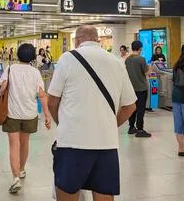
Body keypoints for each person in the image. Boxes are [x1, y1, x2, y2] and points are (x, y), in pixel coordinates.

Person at [48, 25, 137, 200]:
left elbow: (52, 101)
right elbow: (130, 106)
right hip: (106, 144)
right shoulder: (116, 62)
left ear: (77, 40)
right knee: (104, 194)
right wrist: (111, 125)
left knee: (67, 193)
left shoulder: (67, 58)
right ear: (97, 40)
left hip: (73, 143)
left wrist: (63, 123)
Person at [0, 43, 51, 194]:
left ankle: (15, 178)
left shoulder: (10, 69)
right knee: (25, 143)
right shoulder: (35, 72)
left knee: (14, 145)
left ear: (17, 55)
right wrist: (47, 115)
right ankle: (21, 170)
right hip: (30, 114)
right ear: (33, 57)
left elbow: (2, 88)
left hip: (12, 113)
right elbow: (42, 95)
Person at [125, 41, 151, 138]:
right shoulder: (141, 59)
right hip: (141, 88)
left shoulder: (128, 59)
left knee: (133, 108)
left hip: (131, 88)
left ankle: (131, 127)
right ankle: (140, 129)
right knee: (141, 109)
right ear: (140, 48)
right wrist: (150, 68)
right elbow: (147, 72)